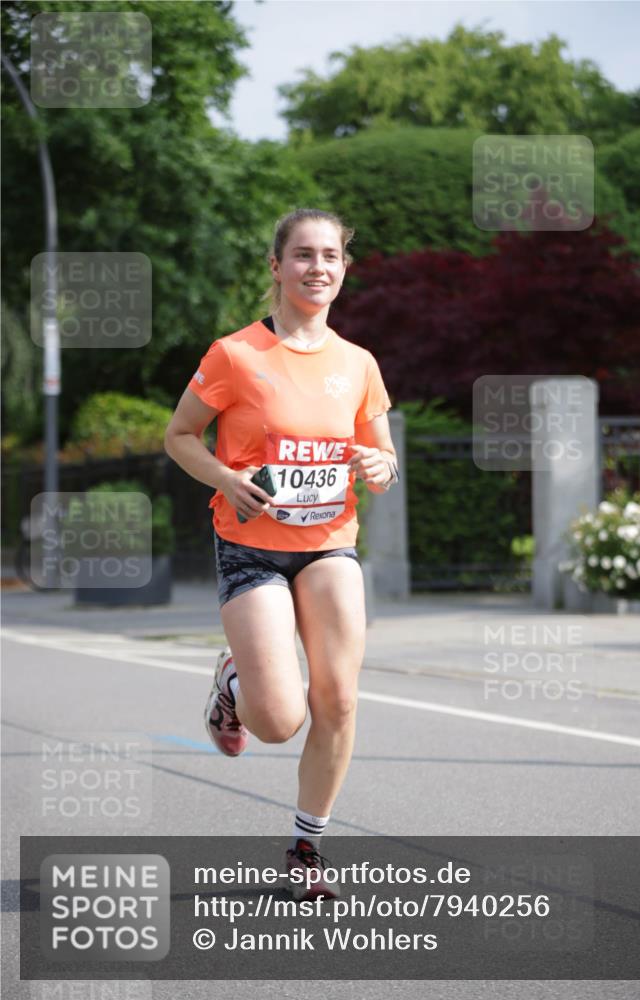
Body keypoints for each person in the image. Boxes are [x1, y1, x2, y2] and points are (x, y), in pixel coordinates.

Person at [164, 208, 399, 900]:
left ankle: (305, 850)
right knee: (277, 721)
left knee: (340, 699)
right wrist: (227, 478)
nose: (317, 267)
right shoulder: (234, 355)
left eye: (330, 256)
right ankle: (234, 685)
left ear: (343, 269)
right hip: (250, 548)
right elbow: (180, 436)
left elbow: (380, 456)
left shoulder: (357, 364)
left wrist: (380, 469)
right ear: (276, 266)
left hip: (329, 544)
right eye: (302, 255)